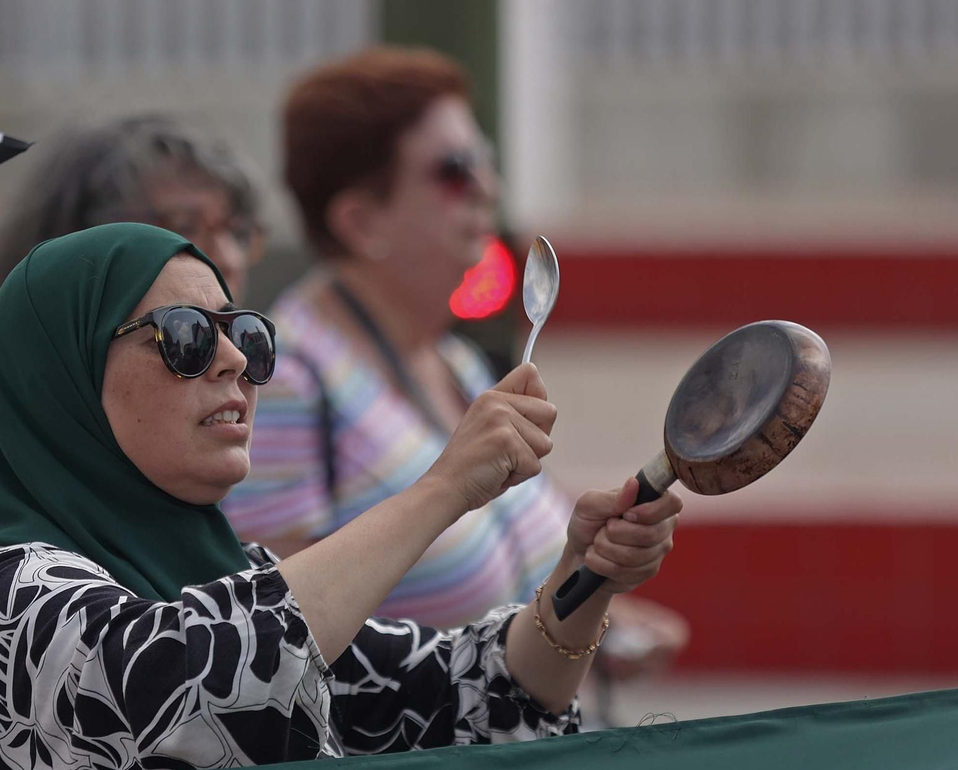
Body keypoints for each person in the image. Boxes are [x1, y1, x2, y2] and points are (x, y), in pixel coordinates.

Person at [0, 223, 681, 770]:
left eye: (244, 332)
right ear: (63, 378)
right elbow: (202, 684)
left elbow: (476, 694)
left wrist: (586, 574)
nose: (238, 362)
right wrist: (444, 489)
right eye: (183, 336)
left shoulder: (230, 576)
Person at [219, 47, 688, 682]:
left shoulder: (454, 360)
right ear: (361, 221)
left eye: (485, 160)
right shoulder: (290, 378)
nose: (487, 187)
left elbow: (514, 578)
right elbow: (277, 639)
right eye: (454, 170)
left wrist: (599, 614)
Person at [0, 114, 264, 306]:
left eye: (237, 232)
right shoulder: (11, 396)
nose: (228, 260)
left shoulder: (272, 382)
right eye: (184, 228)